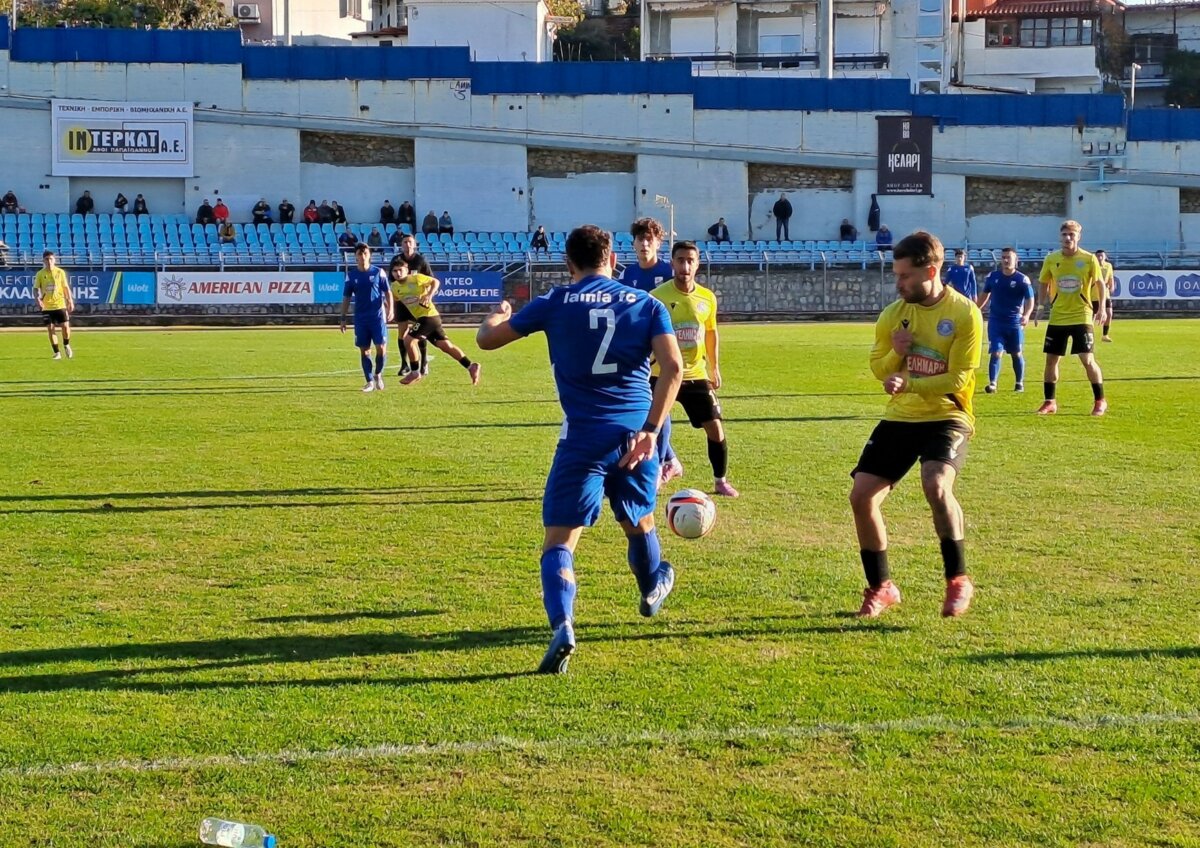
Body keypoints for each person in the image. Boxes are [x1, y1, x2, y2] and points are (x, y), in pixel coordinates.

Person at [476, 224, 684, 674]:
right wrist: (652, 431)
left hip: (582, 438)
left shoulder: (554, 302)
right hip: (634, 437)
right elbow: (674, 368)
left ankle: (564, 625)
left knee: (560, 542)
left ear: (568, 264)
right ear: (612, 259)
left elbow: (487, 341)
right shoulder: (646, 304)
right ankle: (651, 587)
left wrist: (495, 316)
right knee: (638, 519)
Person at [849, 230, 982, 619]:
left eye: (905, 276)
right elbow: (878, 367)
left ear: (932, 269)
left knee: (936, 485)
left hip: (948, 415)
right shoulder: (894, 315)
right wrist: (897, 354)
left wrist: (909, 381)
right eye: (896, 275)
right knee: (861, 497)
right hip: (901, 416)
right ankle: (881, 587)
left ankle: (957, 578)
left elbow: (959, 379)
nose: (899, 283)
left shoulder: (963, 313)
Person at [650, 241, 739, 498]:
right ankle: (655, 474)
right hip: (663, 374)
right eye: (680, 260)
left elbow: (711, 333)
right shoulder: (657, 297)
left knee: (715, 427)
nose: (685, 266)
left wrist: (715, 367)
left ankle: (720, 481)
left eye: (690, 261)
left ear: (697, 264)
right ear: (672, 263)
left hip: (696, 374)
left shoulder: (707, 298)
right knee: (653, 427)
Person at [619, 217, 683, 486]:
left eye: (650, 239)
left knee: (657, 401)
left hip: (663, 347)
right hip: (637, 351)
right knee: (647, 403)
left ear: (658, 243)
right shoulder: (627, 275)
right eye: (640, 239)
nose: (645, 244)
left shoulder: (669, 272)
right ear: (633, 244)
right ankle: (669, 460)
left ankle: (660, 463)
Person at [1036, 220, 1108, 416]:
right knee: (1051, 361)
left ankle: (1100, 401)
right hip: (1058, 317)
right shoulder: (1052, 259)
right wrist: (1041, 305)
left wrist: (1101, 308)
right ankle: (1050, 401)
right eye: (1065, 235)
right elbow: (1043, 282)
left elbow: (1101, 284)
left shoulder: (1088, 259)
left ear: (1078, 237)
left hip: (1081, 316)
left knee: (1087, 359)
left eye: (1072, 235)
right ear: (1060, 237)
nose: (1068, 238)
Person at [389, 256, 482, 387]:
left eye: (400, 270)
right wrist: (391, 312)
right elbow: (397, 301)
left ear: (407, 270)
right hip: (428, 318)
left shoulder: (416, 278)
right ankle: (471, 366)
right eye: (394, 271)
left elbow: (435, 282)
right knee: (446, 346)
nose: (398, 273)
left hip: (428, 316)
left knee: (408, 340)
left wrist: (428, 295)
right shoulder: (394, 287)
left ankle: (415, 371)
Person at [977, 246, 1035, 394]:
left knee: (1016, 353)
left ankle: (1019, 383)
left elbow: (1030, 300)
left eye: (1008, 257)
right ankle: (992, 384)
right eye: (1003, 257)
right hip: (996, 322)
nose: (1005, 260)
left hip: (1014, 323)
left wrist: (1027, 315)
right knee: (996, 352)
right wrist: (976, 309)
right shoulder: (993, 277)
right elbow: (985, 295)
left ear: (1016, 260)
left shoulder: (1022, 279)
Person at [339, 243, 394, 393]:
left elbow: (388, 292)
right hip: (361, 319)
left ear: (369, 255)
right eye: (359, 254)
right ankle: (369, 381)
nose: (362, 256)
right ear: (355, 256)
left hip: (377, 317)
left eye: (365, 253)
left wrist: (391, 309)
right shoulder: (351, 275)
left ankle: (378, 375)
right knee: (364, 350)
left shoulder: (378, 272)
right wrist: (343, 318)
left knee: (381, 348)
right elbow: (346, 297)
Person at [393, 233, 433, 376]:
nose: (407, 244)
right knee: (402, 332)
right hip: (402, 302)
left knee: (420, 333)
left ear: (414, 244)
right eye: (405, 242)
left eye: (410, 242)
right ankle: (404, 364)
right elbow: (392, 282)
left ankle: (424, 363)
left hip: (417, 303)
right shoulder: (396, 260)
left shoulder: (421, 261)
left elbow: (430, 280)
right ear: (401, 245)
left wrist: (427, 297)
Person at [34, 250, 76, 360]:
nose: (49, 261)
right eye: (46, 259)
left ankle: (66, 344)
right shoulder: (40, 274)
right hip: (47, 307)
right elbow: (35, 289)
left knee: (65, 327)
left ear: (54, 260)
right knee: (50, 328)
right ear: (43, 261)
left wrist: (70, 301)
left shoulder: (60, 272)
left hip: (60, 304)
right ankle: (57, 352)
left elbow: (66, 287)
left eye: (51, 259)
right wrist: (37, 299)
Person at [1096, 249, 1115, 342]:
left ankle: (1105, 335)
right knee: (1092, 315)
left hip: (1105, 295)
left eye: (1101, 256)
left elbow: (1111, 277)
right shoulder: (1093, 266)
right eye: (1098, 256)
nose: (1099, 258)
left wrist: (1111, 287)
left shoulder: (1108, 266)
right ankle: (1087, 334)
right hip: (1093, 295)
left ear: (1105, 257)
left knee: (1109, 313)